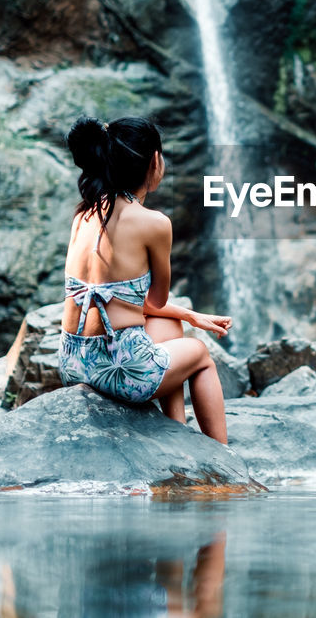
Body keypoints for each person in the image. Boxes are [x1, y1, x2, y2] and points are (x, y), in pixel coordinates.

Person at [56, 115, 230, 445]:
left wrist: (191, 316)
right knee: (200, 355)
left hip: (72, 363)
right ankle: (223, 458)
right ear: (154, 162)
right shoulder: (153, 223)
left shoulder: (84, 214)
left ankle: (175, 433)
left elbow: (130, 305)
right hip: (118, 374)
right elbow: (156, 301)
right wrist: (190, 320)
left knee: (170, 330)